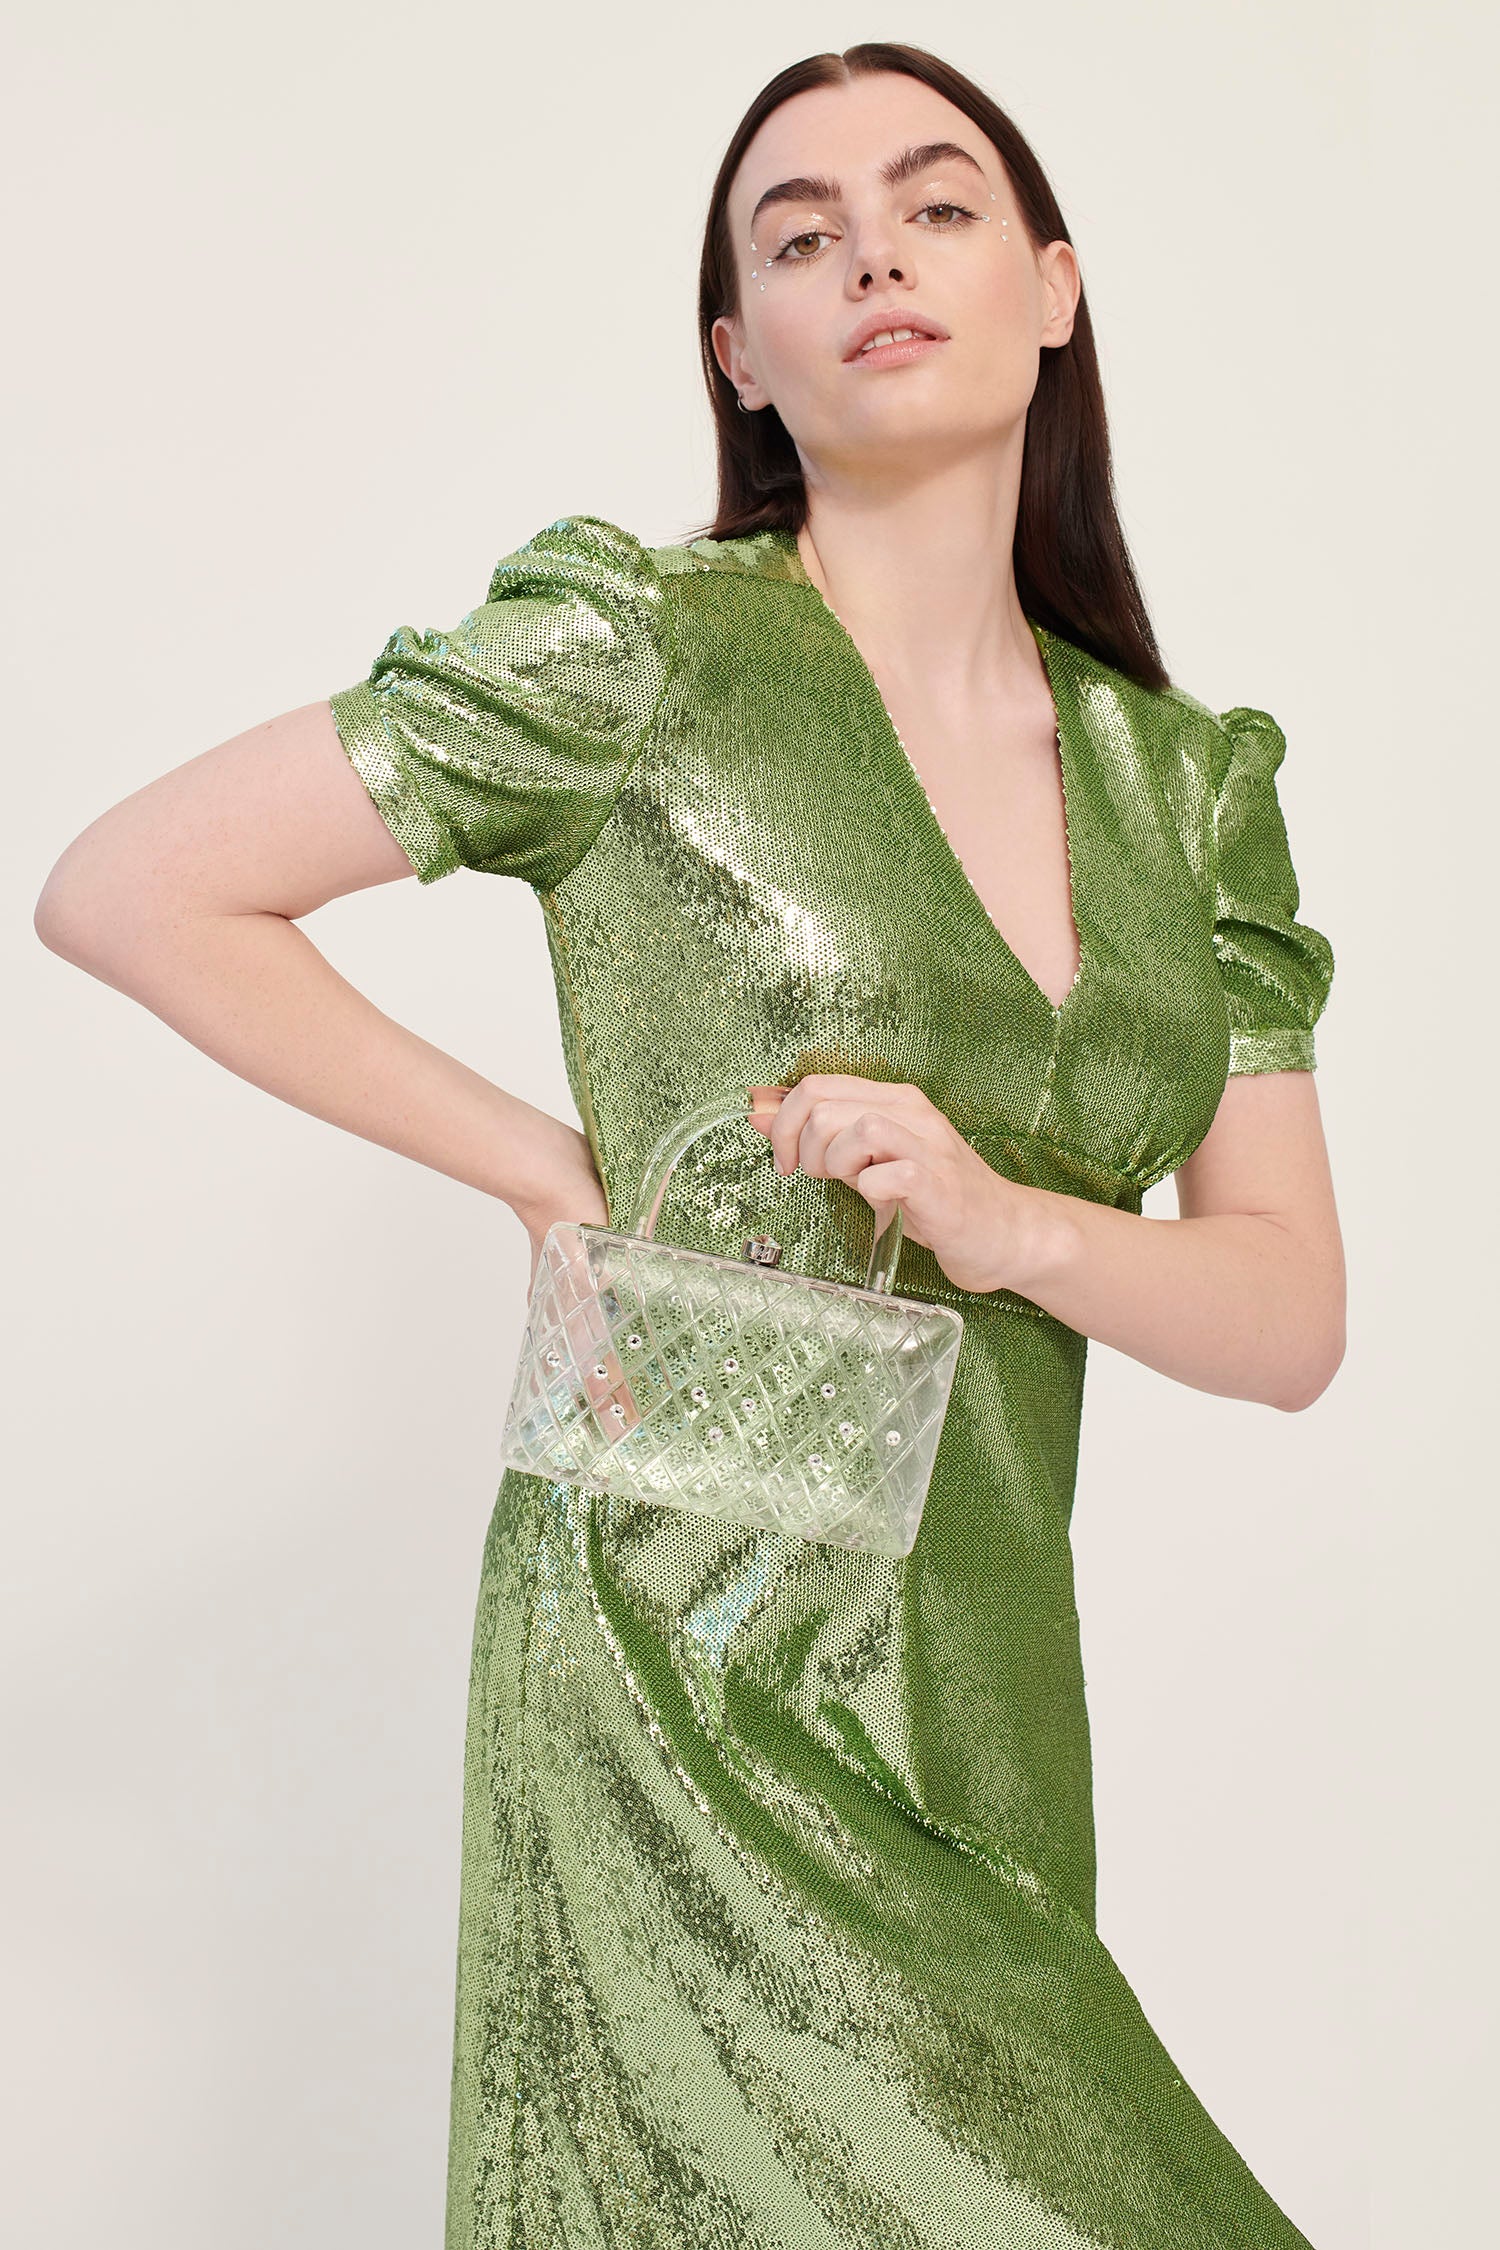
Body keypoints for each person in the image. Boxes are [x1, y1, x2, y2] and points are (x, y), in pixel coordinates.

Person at [34, 38, 1342, 2250]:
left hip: (989, 1699)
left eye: (933, 209)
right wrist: (549, 1172)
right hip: (680, 1638)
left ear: (1051, 287)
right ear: (742, 354)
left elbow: (1288, 1315)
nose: (872, 261)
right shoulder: (639, 650)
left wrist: (1011, 1220)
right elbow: (130, 884)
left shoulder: (1183, 782)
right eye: (799, 237)